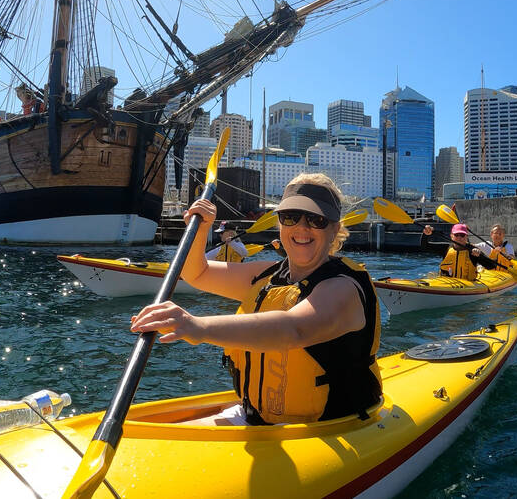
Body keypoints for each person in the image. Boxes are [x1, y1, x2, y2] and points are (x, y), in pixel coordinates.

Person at [130, 173, 382, 426]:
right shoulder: (265, 275)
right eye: (290, 217)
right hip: (255, 416)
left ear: (335, 229)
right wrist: (201, 230)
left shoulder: (343, 287)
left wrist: (198, 327)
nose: (302, 228)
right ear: (280, 224)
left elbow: (292, 329)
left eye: (316, 220)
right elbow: (198, 273)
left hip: (327, 428)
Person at [421, 223, 496, 281]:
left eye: (462, 235)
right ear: (451, 236)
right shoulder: (446, 248)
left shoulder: (472, 250)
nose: (459, 238)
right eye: (456, 235)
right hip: (446, 283)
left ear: (466, 237)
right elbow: (425, 247)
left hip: (467, 285)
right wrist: (425, 235)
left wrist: (479, 256)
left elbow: (491, 266)